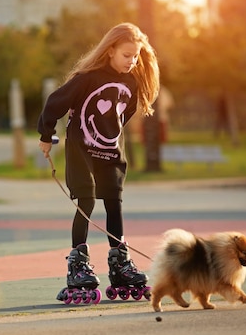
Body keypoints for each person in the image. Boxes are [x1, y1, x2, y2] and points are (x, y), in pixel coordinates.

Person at [37, 22, 160, 298]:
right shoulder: (88, 78)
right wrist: (46, 136)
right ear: (110, 51)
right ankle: (77, 264)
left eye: (136, 56)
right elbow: (54, 103)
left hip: (111, 151)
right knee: (87, 200)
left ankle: (120, 264)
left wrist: (109, 134)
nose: (132, 61)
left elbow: (121, 116)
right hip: (82, 149)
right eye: (126, 55)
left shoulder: (132, 82)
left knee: (114, 202)